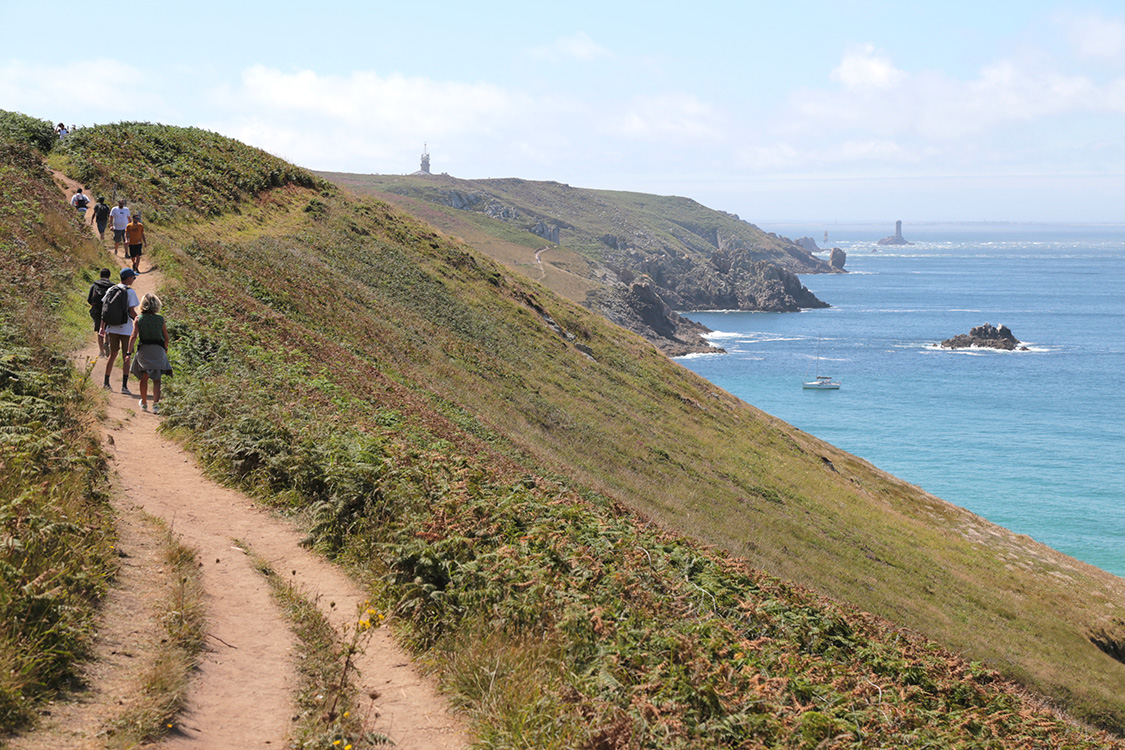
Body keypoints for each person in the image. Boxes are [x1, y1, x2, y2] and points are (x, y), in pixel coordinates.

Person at [128, 293, 171, 414]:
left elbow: (133, 336)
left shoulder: (138, 319)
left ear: (143, 305)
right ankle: (156, 406)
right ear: (157, 305)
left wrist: (128, 352)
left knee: (144, 378)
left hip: (144, 350)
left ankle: (144, 403)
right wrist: (165, 349)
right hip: (158, 351)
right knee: (157, 380)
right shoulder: (160, 319)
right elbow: (166, 338)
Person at [99, 268, 139, 393]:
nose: (133, 279)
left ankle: (106, 383)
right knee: (126, 357)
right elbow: (131, 311)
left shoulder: (111, 289)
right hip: (126, 329)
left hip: (112, 328)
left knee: (112, 355)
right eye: (133, 277)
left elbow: (104, 309)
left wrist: (102, 326)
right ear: (128, 278)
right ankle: (124, 387)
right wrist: (138, 320)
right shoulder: (130, 292)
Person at [87, 268, 115, 356]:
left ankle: (101, 351)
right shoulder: (113, 286)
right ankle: (107, 343)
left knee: (100, 330)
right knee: (108, 329)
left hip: (97, 311)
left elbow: (89, 299)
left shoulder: (95, 285)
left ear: (100, 275)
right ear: (109, 276)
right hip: (109, 310)